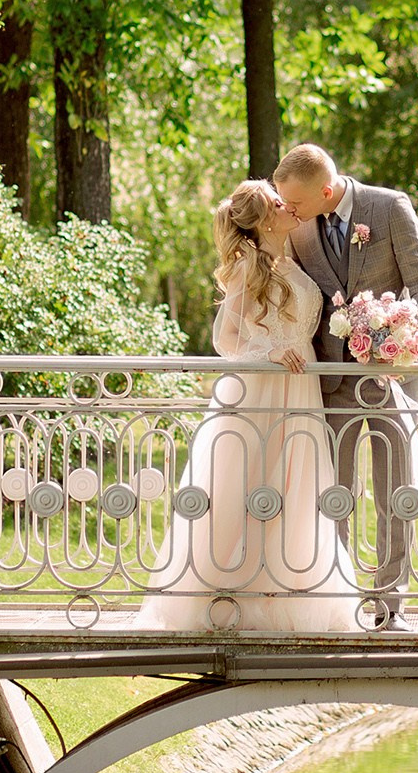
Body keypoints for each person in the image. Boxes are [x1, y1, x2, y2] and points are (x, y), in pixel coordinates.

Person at [139, 179, 361, 633]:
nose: (290, 207)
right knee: (252, 483)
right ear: (263, 219)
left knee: (295, 487)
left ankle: (291, 591)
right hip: (263, 389)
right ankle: (234, 598)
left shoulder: (291, 258)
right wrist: (272, 353)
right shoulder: (248, 267)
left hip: (300, 391)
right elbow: (226, 340)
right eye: (280, 204)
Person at [269, 143, 418, 629]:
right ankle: (340, 603)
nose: (290, 211)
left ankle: (392, 605)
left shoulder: (389, 208)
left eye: (297, 203)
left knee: (395, 491)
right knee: (335, 493)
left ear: (327, 190)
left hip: (393, 378)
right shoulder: (299, 225)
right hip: (330, 380)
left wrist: (407, 338)